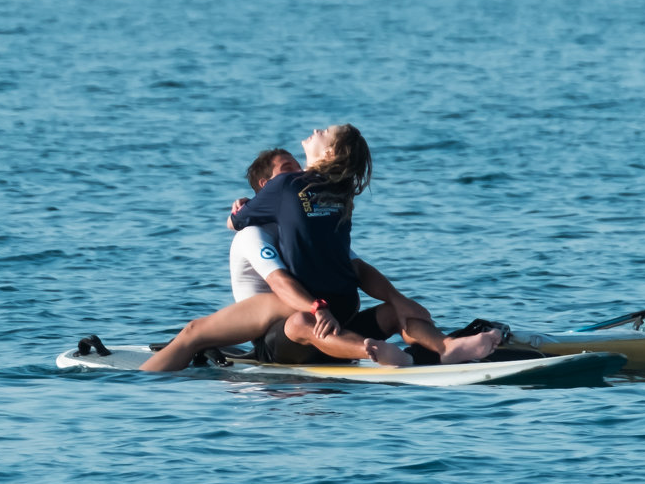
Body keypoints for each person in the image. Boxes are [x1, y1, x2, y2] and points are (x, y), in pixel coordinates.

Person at [141, 126, 500, 372]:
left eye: (321, 134)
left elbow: (264, 253)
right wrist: (397, 299)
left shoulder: (288, 193)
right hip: (331, 309)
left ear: (326, 154)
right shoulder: (338, 195)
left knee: (291, 320)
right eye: (286, 169)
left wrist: (241, 210)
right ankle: (432, 347)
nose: (313, 133)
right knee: (385, 313)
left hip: (305, 320)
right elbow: (352, 267)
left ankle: (393, 350)